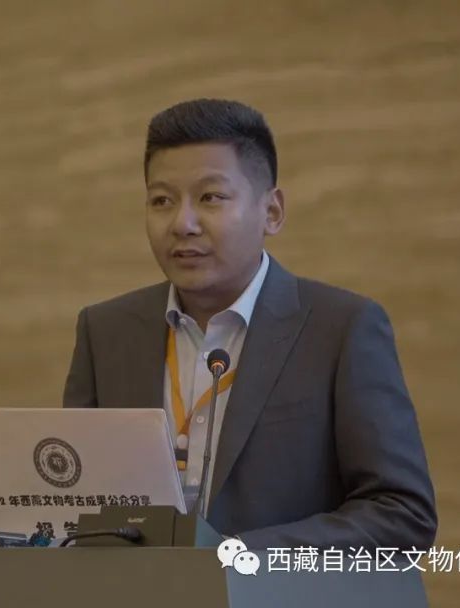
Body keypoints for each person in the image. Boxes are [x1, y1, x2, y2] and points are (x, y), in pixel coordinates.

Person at [62, 98, 437, 551]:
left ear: (271, 212)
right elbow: (74, 501)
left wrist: (235, 555)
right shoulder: (105, 332)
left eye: (210, 198)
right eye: (161, 201)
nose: (182, 223)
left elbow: (401, 513)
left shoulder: (341, 329)